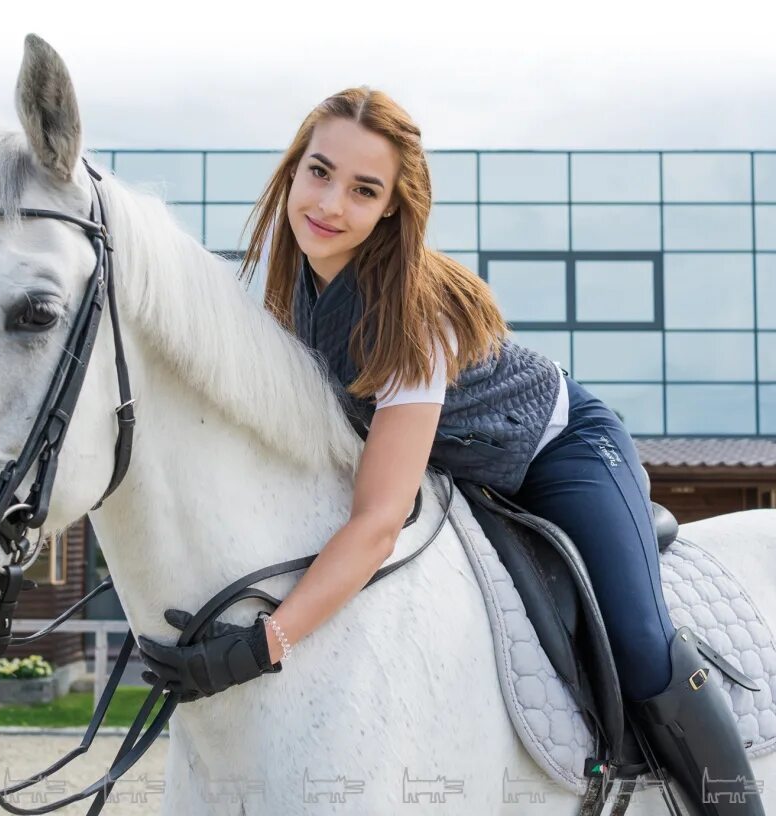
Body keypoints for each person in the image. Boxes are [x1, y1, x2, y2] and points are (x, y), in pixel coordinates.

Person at [137, 87, 762, 815]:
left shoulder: (410, 322)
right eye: (319, 172)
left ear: (391, 210)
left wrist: (267, 641)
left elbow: (377, 520)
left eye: (363, 190)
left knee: (640, 641)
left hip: (563, 451)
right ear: (293, 169)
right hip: (464, 465)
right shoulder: (292, 274)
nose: (330, 203)